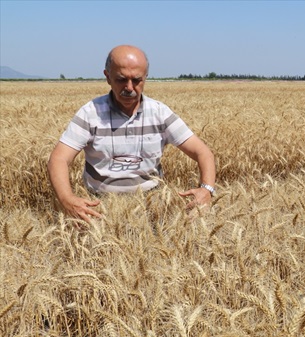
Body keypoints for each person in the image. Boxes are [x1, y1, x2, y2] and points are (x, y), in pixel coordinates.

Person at [48, 45, 216, 222]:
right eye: (121, 79)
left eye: (137, 80)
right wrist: (67, 200)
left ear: (145, 78)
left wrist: (207, 189)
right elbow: (58, 159)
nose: (129, 87)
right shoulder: (90, 113)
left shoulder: (160, 113)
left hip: (152, 207)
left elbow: (203, 152)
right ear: (107, 77)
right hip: (99, 208)